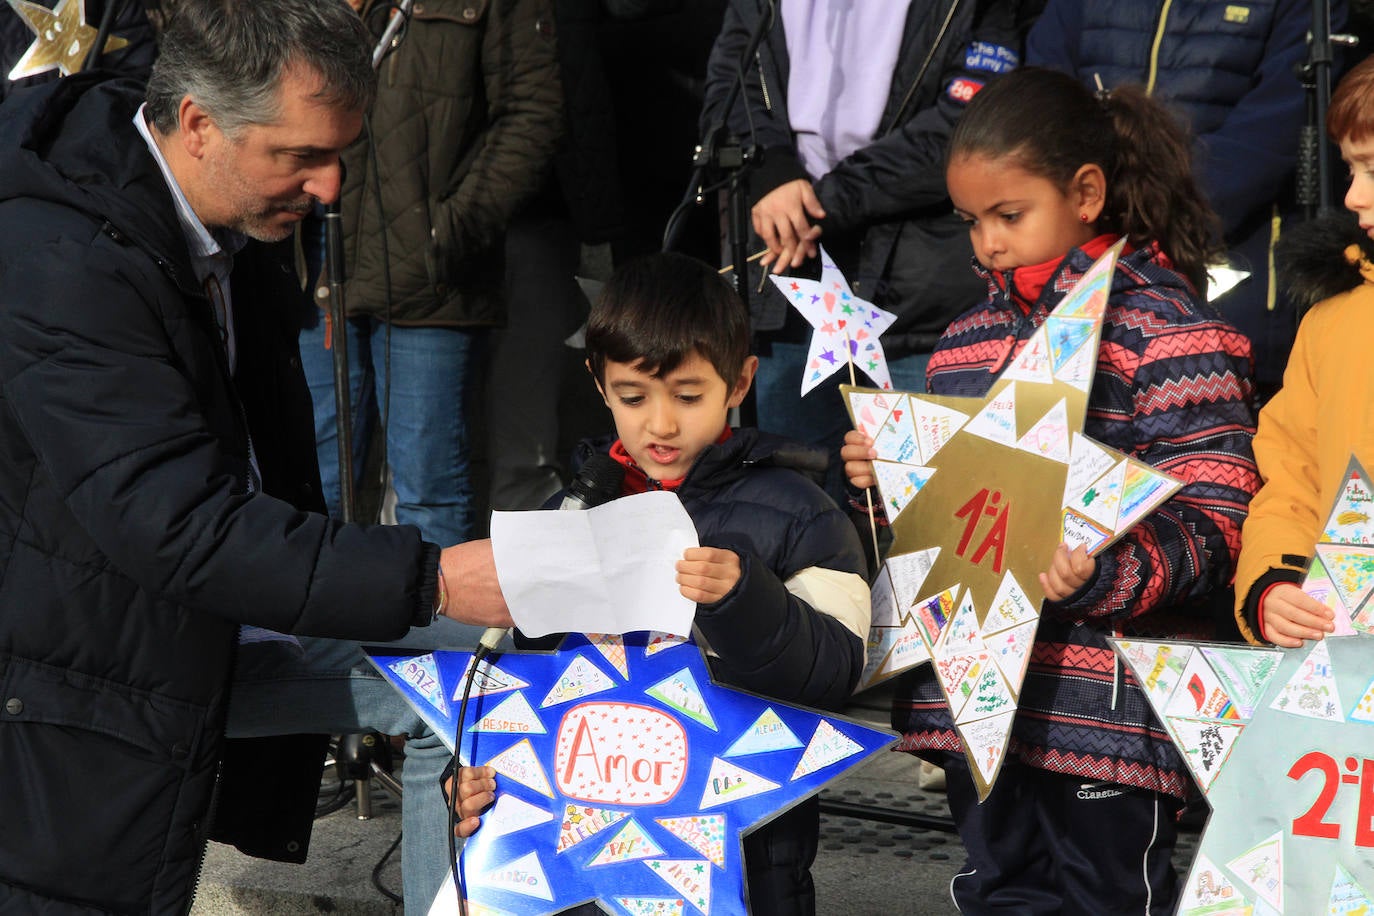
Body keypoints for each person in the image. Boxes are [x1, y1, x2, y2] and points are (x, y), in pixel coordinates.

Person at [0, 0, 510, 911]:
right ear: (197, 125)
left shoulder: (225, 221)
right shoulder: (65, 257)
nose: (332, 188)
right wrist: (433, 576)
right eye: (301, 156)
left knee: (472, 678)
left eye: (341, 153)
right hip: (67, 680)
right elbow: (180, 525)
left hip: (191, 622)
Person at [842, 67, 1258, 914]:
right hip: (978, 701)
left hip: (1103, 707)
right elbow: (948, 524)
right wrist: (885, 480)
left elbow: (1219, 512)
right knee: (996, 890)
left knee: (1112, 898)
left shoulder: (1170, 332)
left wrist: (1105, 575)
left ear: (1088, 193)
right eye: (970, 222)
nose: (986, 243)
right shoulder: (963, 344)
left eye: (1009, 215)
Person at [540, 251, 871, 915]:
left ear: (740, 382)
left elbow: (838, 669)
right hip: (590, 834)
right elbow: (517, 675)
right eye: (633, 397)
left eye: (688, 396)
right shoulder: (573, 509)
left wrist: (745, 602)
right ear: (598, 383)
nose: (660, 424)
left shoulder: (798, 509)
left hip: (746, 847)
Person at [697, 0, 1042, 502]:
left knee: (924, 514)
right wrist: (771, 170)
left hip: (920, 315)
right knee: (790, 513)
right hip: (790, 292)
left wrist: (821, 203)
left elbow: (971, 125)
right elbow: (730, 89)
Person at [301, 0, 562, 546]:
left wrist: (448, 233)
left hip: (432, 278)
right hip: (317, 258)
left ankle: (436, 632)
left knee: (430, 493)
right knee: (314, 482)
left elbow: (531, 114)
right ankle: (322, 633)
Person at [1026, 0, 1349, 400]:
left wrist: (1140, 205)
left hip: (1229, 270)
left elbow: (1274, 130)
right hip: (1080, 275)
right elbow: (1041, 106)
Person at [1234, 55, 1374, 649]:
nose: (1353, 195)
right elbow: (1290, 477)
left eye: (1372, 168)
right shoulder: (1331, 321)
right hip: (1345, 669)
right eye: (1350, 169)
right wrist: (1276, 580)